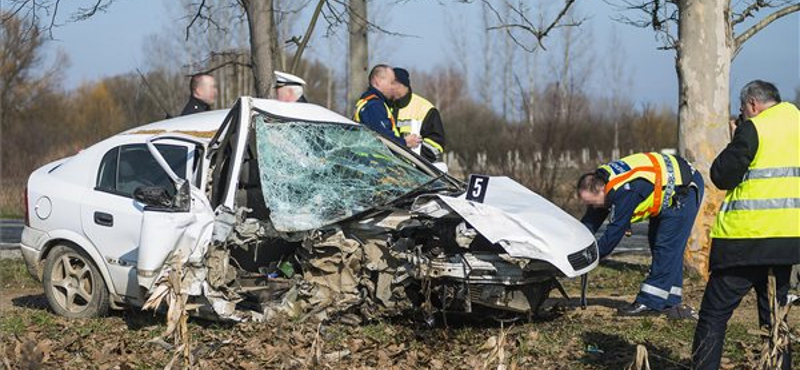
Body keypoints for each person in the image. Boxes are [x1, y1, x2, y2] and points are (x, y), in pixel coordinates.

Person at [692, 80, 800, 370]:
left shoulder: (754, 128)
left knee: (714, 315)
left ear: (752, 105)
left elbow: (722, 176)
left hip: (745, 239)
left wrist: (736, 136)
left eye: (743, 109)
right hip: (788, 240)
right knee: (775, 319)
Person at [578, 152, 704, 317]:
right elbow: (591, 221)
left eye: (594, 203)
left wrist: (589, 258)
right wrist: (574, 244)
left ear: (602, 189)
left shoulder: (625, 190)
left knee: (666, 247)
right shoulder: (604, 181)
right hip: (668, 187)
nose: (594, 208)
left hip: (684, 190)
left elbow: (613, 235)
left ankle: (650, 302)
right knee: (660, 245)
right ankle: (670, 302)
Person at [391, 68, 447, 171]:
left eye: (391, 84)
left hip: (415, 175)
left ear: (399, 85)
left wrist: (411, 158)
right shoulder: (383, 105)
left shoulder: (425, 109)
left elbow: (436, 145)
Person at [353, 65, 410, 147]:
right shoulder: (374, 106)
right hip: (374, 159)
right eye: (391, 82)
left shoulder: (369, 101)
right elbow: (384, 138)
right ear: (378, 81)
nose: (393, 87)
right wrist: (405, 142)